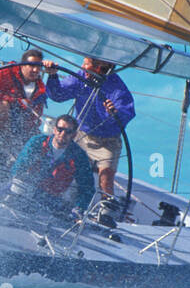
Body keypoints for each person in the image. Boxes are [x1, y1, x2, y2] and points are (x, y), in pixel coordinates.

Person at [43, 56, 135, 205]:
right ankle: (50, 195)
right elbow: (58, 95)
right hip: (80, 135)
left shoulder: (118, 89)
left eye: (86, 63)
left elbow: (127, 114)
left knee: (106, 178)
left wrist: (113, 114)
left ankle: (106, 210)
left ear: (100, 68)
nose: (82, 66)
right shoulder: (80, 77)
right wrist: (52, 75)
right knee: (61, 165)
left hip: (107, 141)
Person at [6, 114, 92, 212]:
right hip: (26, 191)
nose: (63, 134)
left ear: (74, 135)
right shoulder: (37, 142)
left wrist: (80, 207)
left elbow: (87, 188)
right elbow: (18, 168)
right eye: (60, 129)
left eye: (68, 131)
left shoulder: (79, 156)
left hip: (51, 200)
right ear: (54, 130)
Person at [0, 47, 47, 157]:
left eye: (38, 67)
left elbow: (36, 115)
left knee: (40, 141)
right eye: (31, 65)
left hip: (19, 127)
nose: (35, 70)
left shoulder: (40, 88)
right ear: (22, 65)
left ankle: (19, 162)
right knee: (3, 106)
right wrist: (16, 101)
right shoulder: (5, 72)